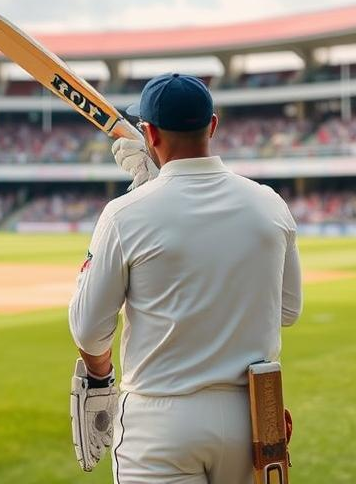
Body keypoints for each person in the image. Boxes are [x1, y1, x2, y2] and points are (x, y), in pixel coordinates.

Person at [69, 73, 302, 484]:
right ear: (212, 126)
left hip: (160, 420)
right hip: (252, 416)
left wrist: (101, 375)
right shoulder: (270, 205)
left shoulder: (125, 214)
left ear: (149, 132)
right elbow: (288, 311)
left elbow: (89, 330)